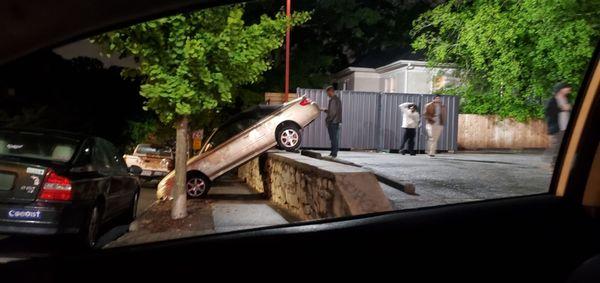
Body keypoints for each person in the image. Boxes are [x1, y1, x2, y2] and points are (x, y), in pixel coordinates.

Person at [544, 82, 572, 167]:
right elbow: (548, 112)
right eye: (567, 88)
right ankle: (554, 164)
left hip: (565, 126)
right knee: (557, 146)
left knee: (563, 146)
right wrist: (562, 108)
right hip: (557, 127)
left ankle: (560, 163)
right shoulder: (553, 100)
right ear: (561, 89)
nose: (569, 89)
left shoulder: (567, 99)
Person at [321, 86, 342, 158]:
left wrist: (328, 120)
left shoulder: (333, 100)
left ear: (330, 91)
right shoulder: (337, 99)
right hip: (335, 121)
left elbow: (332, 113)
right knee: (334, 138)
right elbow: (333, 111)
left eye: (327, 93)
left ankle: (333, 153)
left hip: (332, 122)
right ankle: (333, 152)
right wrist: (325, 110)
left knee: (333, 138)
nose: (327, 94)